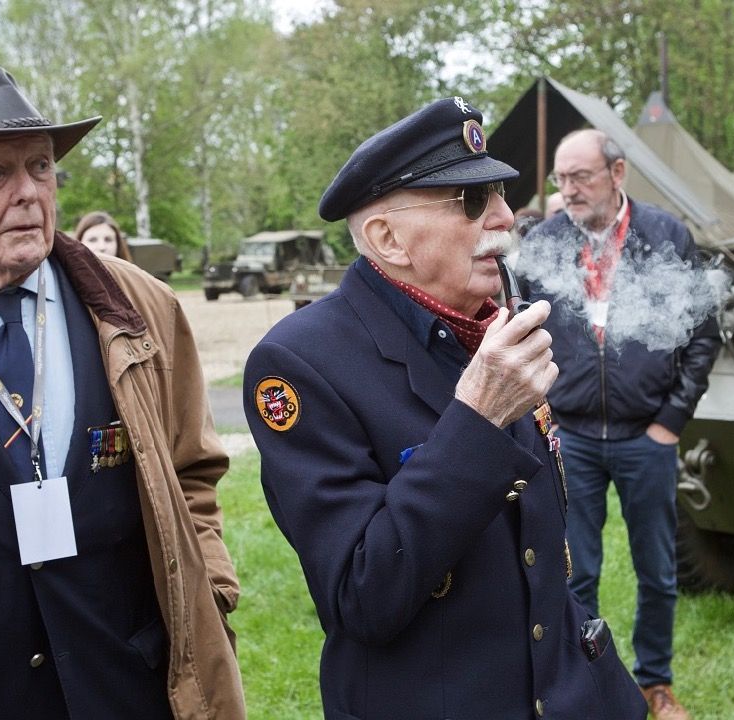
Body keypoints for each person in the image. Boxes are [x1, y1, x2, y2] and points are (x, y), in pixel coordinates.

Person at [243, 98, 647, 718]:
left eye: (502, 196)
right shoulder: (300, 363)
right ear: (387, 238)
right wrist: (478, 419)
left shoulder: (493, 321)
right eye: (471, 201)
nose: (506, 219)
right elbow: (363, 594)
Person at [0, 68, 245, 720]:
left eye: (41, 168)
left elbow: (195, 470)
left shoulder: (141, 305)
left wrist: (210, 589)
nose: (28, 194)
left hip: (133, 678)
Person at [523, 128, 721, 720]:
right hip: (572, 437)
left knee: (657, 570)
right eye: (560, 179)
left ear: (617, 173)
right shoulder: (546, 241)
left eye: (580, 176)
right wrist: (546, 413)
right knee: (574, 571)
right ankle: (586, 684)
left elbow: (703, 335)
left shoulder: (666, 236)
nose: (569, 190)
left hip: (646, 437)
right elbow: (521, 327)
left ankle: (655, 683)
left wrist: (671, 420)